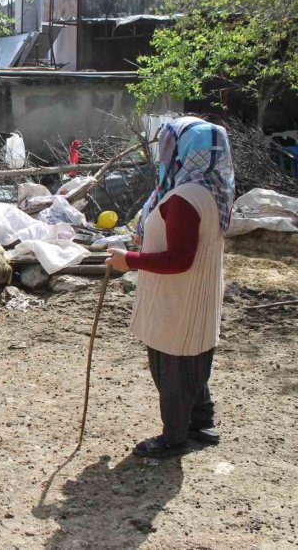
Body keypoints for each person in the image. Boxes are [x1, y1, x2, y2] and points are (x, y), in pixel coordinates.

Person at [106, 116, 235, 459]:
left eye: (168, 145)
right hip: (197, 297)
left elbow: (179, 259)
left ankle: (174, 438)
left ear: (183, 150)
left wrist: (128, 260)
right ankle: (201, 422)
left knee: (173, 369)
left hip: (178, 296)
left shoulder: (184, 197)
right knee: (193, 359)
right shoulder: (214, 187)